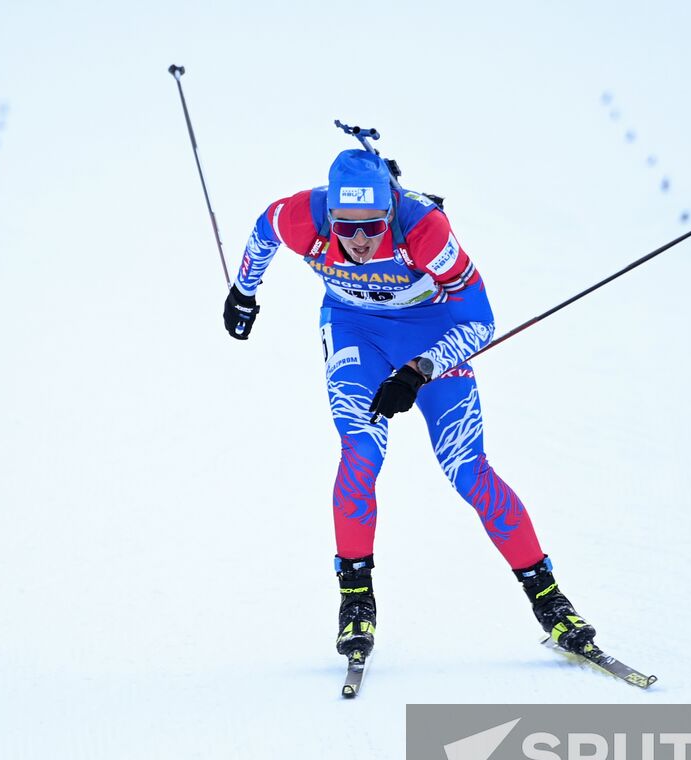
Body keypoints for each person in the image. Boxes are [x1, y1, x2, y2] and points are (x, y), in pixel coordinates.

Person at [223, 149, 597, 664]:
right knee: (361, 455)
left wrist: (420, 369)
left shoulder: (425, 230)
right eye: (346, 227)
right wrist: (244, 292)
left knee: (468, 470)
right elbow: (263, 230)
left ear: (391, 208)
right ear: (329, 213)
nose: (358, 241)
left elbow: (482, 321)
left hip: (434, 334)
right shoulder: (301, 218)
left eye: (373, 227)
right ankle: (356, 598)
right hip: (356, 330)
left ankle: (549, 599)